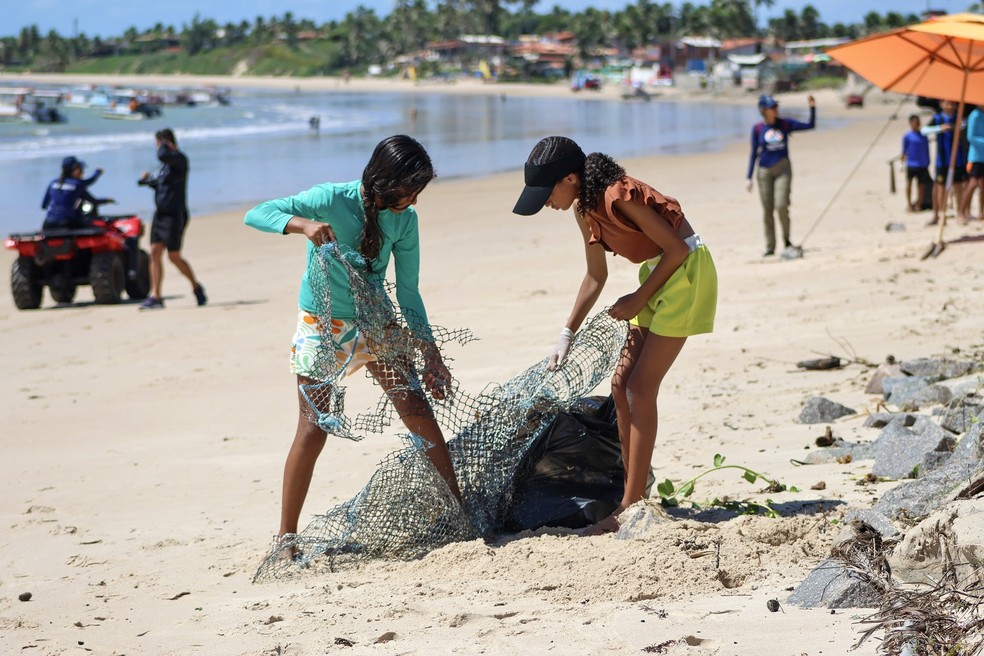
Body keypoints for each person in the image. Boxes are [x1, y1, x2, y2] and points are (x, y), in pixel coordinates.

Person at [244, 134, 462, 555]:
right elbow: (257, 213)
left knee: (417, 408)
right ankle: (286, 537)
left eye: (418, 192)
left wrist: (431, 353)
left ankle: (459, 510)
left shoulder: (404, 220)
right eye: (408, 191)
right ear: (382, 181)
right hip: (322, 324)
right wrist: (303, 225)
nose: (413, 201)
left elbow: (410, 294)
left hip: (376, 321)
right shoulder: (329, 199)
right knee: (313, 427)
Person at [512, 136, 717, 534]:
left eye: (547, 193)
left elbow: (676, 249)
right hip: (657, 274)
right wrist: (566, 334)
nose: (547, 204)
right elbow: (596, 275)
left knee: (641, 387)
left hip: (687, 271)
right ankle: (633, 493)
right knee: (620, 385)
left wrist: (639, 298)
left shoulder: (617, 195)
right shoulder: (583, 209)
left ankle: (629, 504)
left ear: (570, 177)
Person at [137, 128, 206, 309]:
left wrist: (165, 147)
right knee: (154, 252)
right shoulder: (165, 166)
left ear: (166, 143)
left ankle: (196, 286)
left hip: (175, 215)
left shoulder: (180, 160)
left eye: (158, 143)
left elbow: (162, 155)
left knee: (174, 256)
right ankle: (156, 297)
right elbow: (161, 186)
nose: (157, 148)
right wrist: (147, 180)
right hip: (160, 214)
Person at [745, 94, 816, 256]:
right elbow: (753, 154)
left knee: (781, 205)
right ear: (763, 110)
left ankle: (787, 240)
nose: (776, 109)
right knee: (767, 210)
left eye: (776, 106)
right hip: (764, 172)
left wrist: (812, 108)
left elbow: (810, 125)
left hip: (783, 169)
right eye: (772, 107)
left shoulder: (785, 124)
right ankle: (770, 247)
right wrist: (748, 177)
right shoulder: (757, 129)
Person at [925, 100, 969, 225]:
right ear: (941, 105)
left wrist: (957, 127)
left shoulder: (959, 118)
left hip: (957, 159)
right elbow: (924, 130)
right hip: (942, 161)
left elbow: (965, 127)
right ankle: (941, 215)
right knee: (941, 189)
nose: (950, 106)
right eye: (947, 103)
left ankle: (960, 213)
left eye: (952, 104)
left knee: (958, 187)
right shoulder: (938, 118)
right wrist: (940, 128)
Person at [41, 156, 114, 231]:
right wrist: (107, 200)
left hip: (47, 224)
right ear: (75, 170)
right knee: (98, 227)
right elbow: (94, 201)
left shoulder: (53, 183)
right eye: (81, 169)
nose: (82, 172)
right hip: (66, 223)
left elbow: (43, 206)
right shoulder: (77, 185)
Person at [901, 114, 932, 213]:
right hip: (911, 164)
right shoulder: (907, 136)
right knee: (909, 184)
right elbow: (904, 151)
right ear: (910, 124)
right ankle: (909, 204)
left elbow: (927, 149)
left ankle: (919, 204)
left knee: (921, 186)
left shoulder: (923, 136)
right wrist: (903, 162)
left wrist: (928, 161)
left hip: (922, 164)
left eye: (918, 122)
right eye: (915, 122)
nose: (917, 124)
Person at [959, 106, 983, 222]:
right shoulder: (974, 115)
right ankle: (961, 212)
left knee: (983, 185)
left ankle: (981, 212)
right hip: (975, 156)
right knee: (972, 184)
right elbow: (970, 137)